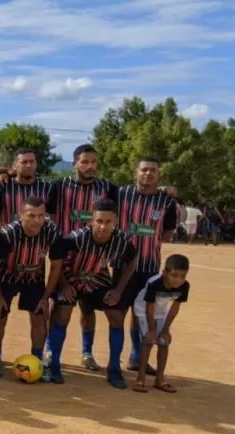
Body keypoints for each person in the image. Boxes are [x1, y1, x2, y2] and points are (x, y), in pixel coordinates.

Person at [46, 199, 137, 387]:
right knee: (63, 313)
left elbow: (132, 261)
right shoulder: (76, 237)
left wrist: (118, 290)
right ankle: (54, 365)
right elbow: (58, 259)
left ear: (116, 222)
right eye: (99, 221)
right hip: (71, 276)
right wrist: (63, 285)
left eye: (108, 222)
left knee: (116, 315)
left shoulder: (122, 241)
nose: (103, 226)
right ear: (91, 222)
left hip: (97, 278)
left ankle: (114, 369)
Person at [48, 144, 119, 372]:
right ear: (75, 163)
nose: (90, 166)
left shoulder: (107, 187)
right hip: (66, 261)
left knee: (88, 309)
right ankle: (51, 352)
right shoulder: (59, 187)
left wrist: (165, 191)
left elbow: (131, 195)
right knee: (59, 308)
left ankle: (86, 353)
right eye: (85, 162)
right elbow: (48, 217)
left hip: (96, 264)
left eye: (94, 162)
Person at [0, 197, 66, 378]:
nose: (37, 220)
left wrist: (46, 297)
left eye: (41, 216)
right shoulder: (8, 234)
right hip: (8, 276)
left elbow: (56, 266)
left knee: (39, 317)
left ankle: (38, 360)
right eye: (32, 215)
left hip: (34, 277)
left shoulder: (51, 232)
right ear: (21, 215)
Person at [115, 157, 178, 375]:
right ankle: (114, 361)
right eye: (144, 170)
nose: (148, 174)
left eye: (153, 170)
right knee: (118, 313)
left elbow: (168, 233)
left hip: (150, 267)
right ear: (136, 172)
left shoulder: (167, 202)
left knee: (142, 315)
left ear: (158, 174)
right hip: (122, 265)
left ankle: (135, 358)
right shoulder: (121, 194)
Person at [132, 254, 190, 393]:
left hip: (161, 312)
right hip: (143, 309)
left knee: (164, 342)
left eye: (183, 276)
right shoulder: (154, 283)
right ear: (165, 273)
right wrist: (152, 330)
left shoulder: (184, 286)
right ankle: (140, 378)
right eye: (174, 275)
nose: (178, 280)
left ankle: (159, 379)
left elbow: (175, 308)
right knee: (148, 341)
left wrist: (166, 329)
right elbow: (149, 307)